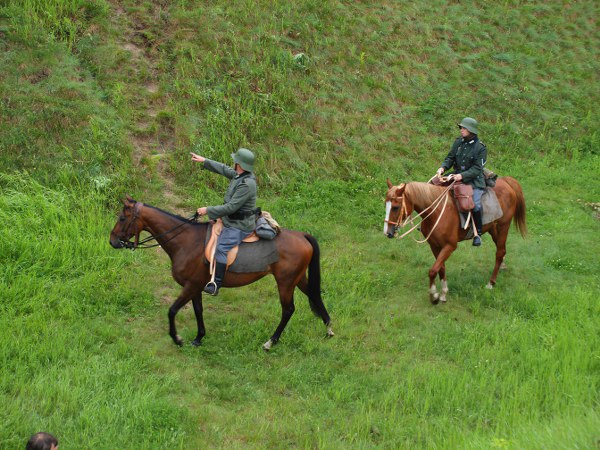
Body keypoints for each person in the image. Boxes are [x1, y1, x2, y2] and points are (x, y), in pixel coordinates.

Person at [191, 148, 258, 295]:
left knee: (221, 248)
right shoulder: (239, 175)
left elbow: (231, 207)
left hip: (239, 225)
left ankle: (216, 283)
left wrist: (207, 210)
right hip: (230, 218)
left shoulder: (247, 184)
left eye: (236, 161)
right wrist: (205, 161)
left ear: (239, 164)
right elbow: (223, 169)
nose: (233, 163)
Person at [436, 117, 487, 246]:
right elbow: (450, 158)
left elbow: (477, 169)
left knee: (475, 205)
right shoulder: (458, 142)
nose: (461, 130)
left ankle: (478, 233)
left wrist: (462, 176)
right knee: (434, 188)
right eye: (461, 128)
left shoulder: (480, 148)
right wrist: (443, 168)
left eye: (464, 128)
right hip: (456, 175)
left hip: (474, 180)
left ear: (471, 130)